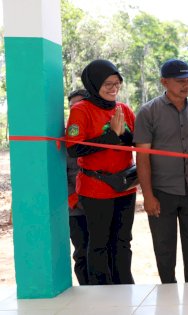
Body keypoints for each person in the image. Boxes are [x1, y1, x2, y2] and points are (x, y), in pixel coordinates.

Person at [134, 59, 188, 283]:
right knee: (164, 248)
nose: (186, 86)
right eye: (180, 81)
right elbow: (143, 157)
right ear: (164, 82)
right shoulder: (148, 112)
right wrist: (147, 195)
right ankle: (168, 291)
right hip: (161, 192)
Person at [66, 59, 137, 285]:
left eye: (117, 83)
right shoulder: (81, 110)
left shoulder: (123, 109)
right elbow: (74, 148)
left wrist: (122, 134)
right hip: (96, 189)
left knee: (123, 241)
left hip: (124, 186)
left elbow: (133, 142)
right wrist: (111, 136)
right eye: (107, 83)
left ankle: (125, 285)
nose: (113, 88)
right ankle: (101, 291)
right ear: (94, 83)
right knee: (99, 243)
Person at [66, 89, 90, 285]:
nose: (76, 109)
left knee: (104, 250)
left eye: (80, 105)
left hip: (101, 203)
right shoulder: (64, 137)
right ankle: (86, 290)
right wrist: (74, 199)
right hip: (76, 208)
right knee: (81, 252)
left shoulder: (99, 131)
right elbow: (60, 174)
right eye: (72, 107)